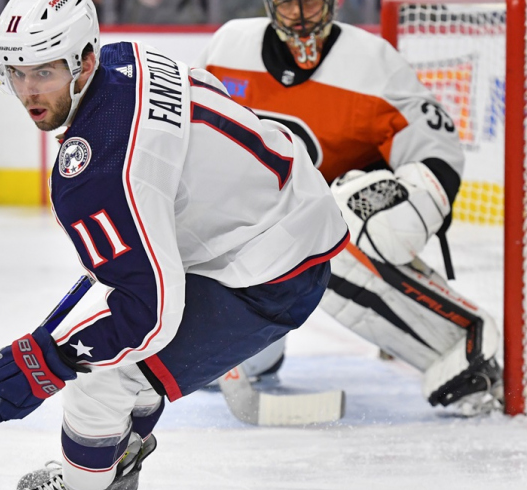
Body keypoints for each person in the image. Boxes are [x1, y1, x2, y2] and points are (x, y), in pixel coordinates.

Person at [0, 0, 350, 488]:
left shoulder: (98, 172)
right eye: (15, 72)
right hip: (287, 208)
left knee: (101, 378)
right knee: (127, 351)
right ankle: (119, 458)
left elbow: (150, 316)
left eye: (44, 71)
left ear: (83, 61)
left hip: (271, 272)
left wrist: (45, 360)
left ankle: (89, 484)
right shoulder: (125, 57)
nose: (28, 91)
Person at [194, 0, 503, 412]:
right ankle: (260, 348)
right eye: (288, 1)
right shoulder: (227, 48)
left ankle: (463, 348)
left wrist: (412, 205)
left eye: (311, 0)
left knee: (335, 235)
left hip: (333, 228)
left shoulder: (374, 65)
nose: (300, 14)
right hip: (248, 232)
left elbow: (437, 153)